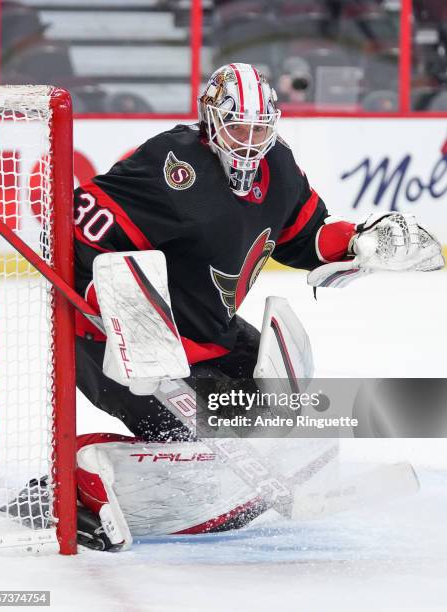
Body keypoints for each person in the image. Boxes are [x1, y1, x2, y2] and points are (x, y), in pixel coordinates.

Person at [71, 62, 443, 549]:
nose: (250, 139)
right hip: (116, 342)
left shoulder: (279, 168)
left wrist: (357, 242)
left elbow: (307, 236)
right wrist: (119, 311)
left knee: (290, 424)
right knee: (200, 450)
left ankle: (189, 492)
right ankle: (78, 479)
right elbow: (80, 232)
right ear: (211, 119)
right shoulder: (171, 165)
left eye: (260, 126)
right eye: (238, 125)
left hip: (208, 336)